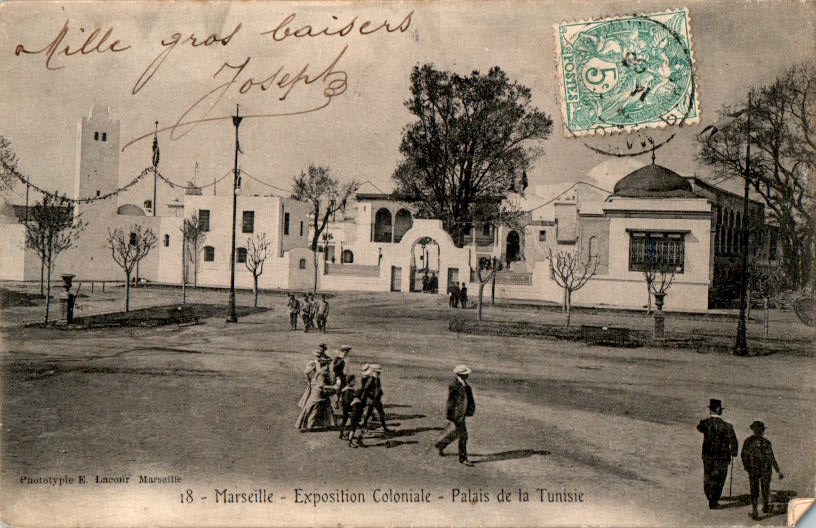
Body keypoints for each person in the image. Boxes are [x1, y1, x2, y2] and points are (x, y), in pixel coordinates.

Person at [697, 399, 739, 509]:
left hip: (708, 455)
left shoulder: (705, 423)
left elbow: (699, 428)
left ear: (711, 410)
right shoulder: (727, 426)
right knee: (719, 478)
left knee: (708, 476)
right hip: (722, 457)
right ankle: (714, 500)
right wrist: (734, 452)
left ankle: (710, 496)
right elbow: (734, 441)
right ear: (719, 410)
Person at [741, 420, 783, 519]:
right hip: (766, 469)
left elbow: (743, 455)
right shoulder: (767, 442)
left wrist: (747, 467)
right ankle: (765, 507)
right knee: (765, 489)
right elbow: (771, 458)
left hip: (753, 469)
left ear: (753, 430)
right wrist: (778, 471)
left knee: (754, 489)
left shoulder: (748, 441)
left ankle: (755, 511)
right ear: (762, 431)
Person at [435, 364, 476, 466]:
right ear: (460, 374)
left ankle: (441, 445)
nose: (467, 375)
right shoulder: (454, 385)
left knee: (457, 433)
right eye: (465, 374)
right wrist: (451, 416)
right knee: (464, 436)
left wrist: (469, 411)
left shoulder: (464, 384)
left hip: (461, 413)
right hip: (457, 415)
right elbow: (451, 402)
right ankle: (463, 458)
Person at [295, 354, 336, 431]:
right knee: (317, 408)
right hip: (319, 393)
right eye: (328, 364)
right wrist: (334, 387)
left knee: (314, 408)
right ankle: (310, 426)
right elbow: (322, 386)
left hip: (316, 392)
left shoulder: (320, 372)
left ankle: (306, 425)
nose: (329, 365)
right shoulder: (323, 373)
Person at [297, 344, 329, 409]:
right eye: (318, 356)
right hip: (315, 382)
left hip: (319, 381)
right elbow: (307, 372)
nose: (319, 357)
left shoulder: (323, 361)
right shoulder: (313, 363)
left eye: (319, 356)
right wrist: (309, 381)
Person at [362, 364, 389, 435]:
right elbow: (366, 389)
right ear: (373, 372)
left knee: (381, 413)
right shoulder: (371, 379)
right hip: (372, 400)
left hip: (376, 399)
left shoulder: (377, 378)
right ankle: (364, 428)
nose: (378, 373)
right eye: (377, 372)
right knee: (368, 414)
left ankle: (384, 427)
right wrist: (371, 396)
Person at [337, 374, 358, 440]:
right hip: (348, 408)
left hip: (346, 408)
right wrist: (349, 410)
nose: (355, 381)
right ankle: (345, 434)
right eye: (354, 380)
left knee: (345, 421)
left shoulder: (346, 389)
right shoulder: (348, 391)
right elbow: (347, 401)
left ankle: (344, 434)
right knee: (349, 422)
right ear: (350, 381)